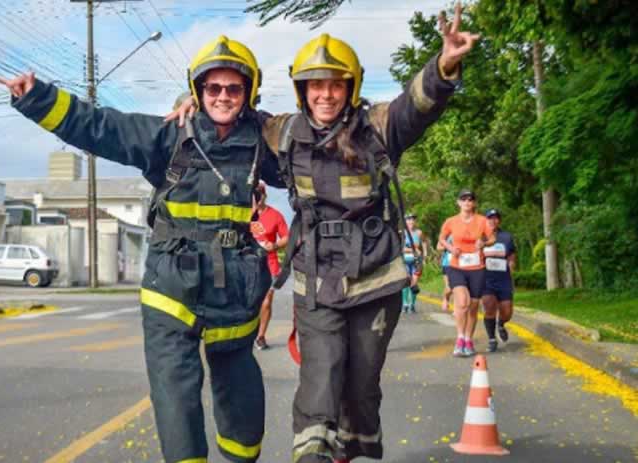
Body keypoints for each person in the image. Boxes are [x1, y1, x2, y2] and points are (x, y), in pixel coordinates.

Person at [171, 6, 478, 461]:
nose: (326, 94)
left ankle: (345, 451)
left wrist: (445, 63)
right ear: (302, 89)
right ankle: (312, 454)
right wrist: (191, 99)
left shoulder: (377, 127)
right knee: (321, 375)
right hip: (315, 280)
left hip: (376, 279)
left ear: (351, 86)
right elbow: (228, 103)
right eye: (316, 84)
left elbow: (417, 105)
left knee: (360, 385)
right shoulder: (281, 132)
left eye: (335, 83)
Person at [0, 35, 283, 463]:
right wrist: (38, 99)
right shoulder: (168, 135)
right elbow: (101, 127)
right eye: (212, 88)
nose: (223, 96)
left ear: (248, 93)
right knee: (175, 391)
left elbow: (315, 156)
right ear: (199, 91)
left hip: (235, 288)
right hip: (171, 283)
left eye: (234, 88)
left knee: (240, 389)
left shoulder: (264, 143)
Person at [439, 189, 495, 357]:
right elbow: (441, 239)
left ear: (474, 203)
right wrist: (450, 248)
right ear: (458, 202)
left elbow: (492, 238)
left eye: (470, 199)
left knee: (473, 306)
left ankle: (469, 340)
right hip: (456, 267)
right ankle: (460, 338)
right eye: (463, 199)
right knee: (462, 302)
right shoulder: (451, 221)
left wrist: (483, 243)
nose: (467, 202)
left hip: (477, 268)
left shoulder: (482, 221)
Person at [250, 180, 289, 350]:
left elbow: (287, 237)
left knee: (265, 303)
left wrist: (274, 246)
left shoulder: (275, 215)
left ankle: (260, 336)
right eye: (254, 194)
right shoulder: (244, 213)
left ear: (264, 195)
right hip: (246, 266)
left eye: (260, 193)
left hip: (269, 265)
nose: (257, 197)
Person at [481, 208, 516, 352]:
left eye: (495, 218)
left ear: (499, 220)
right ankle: (492, 339)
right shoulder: (481, 237)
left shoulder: (506, 237)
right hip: (486, 279)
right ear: (485, 220)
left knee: (507, 311)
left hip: (503, 279)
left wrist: (511, 269)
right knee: (489, 307)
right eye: (490, 218)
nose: (493, 221)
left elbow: (512, 255)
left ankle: (501, 324)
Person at [402, 213, 428, 313]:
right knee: (406, 283)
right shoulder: (402, 233)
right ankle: (404, 304)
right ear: (405, 222)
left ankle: (412, 305)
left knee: (414, 283)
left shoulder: (419, 233)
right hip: (405, 261)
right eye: (408, 220)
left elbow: (424, 242)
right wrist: (412, 250)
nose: (411, 222)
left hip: (417, 262)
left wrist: (424, 255)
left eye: (413, 220)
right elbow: (400, 248)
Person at [437, 235, 453, 311]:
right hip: (447, 263)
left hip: (459, 263)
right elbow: (438, 247)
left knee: (458, 286)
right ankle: (445, 298)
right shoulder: (446, 234)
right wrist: (449, 247)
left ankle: (457, 309)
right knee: (449, 287)